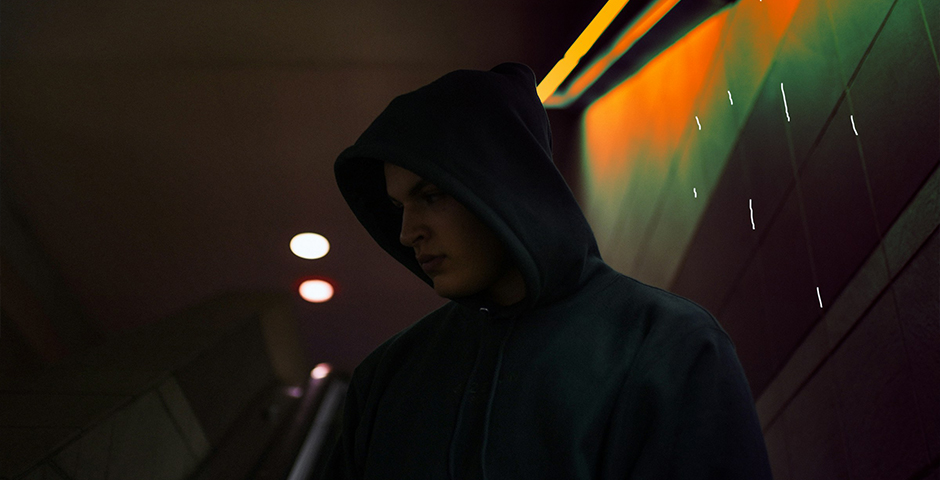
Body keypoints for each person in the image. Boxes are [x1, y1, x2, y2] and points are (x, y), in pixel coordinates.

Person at [324, 62, 773, 479]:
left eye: (431, 195)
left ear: (501, 185)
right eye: (398, 206)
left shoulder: (666, 344)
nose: (407, 232)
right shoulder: (388, 378)